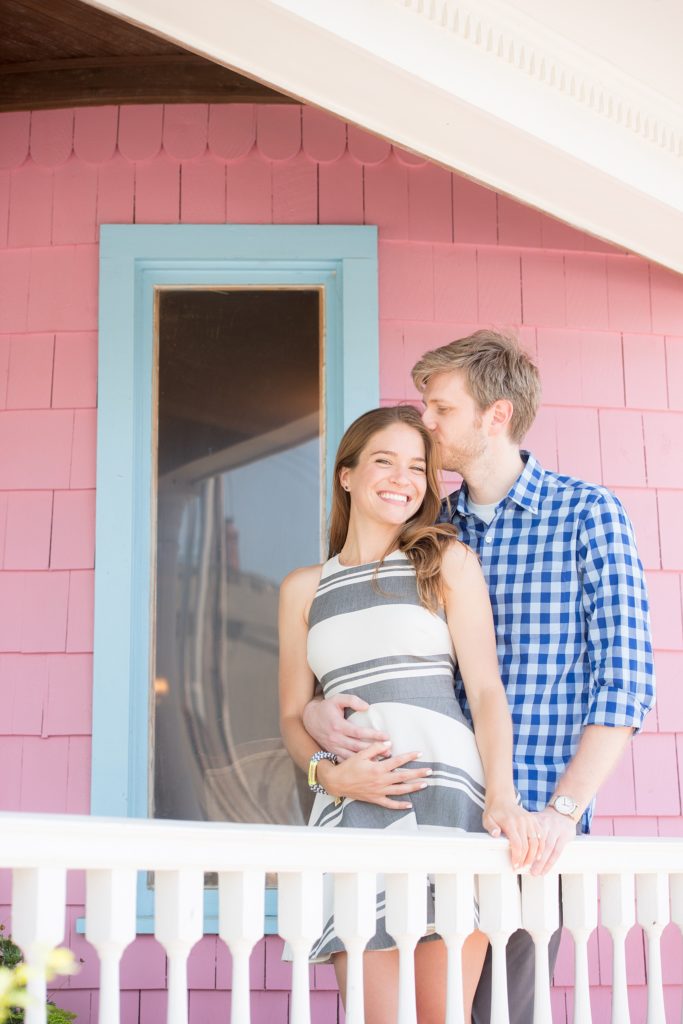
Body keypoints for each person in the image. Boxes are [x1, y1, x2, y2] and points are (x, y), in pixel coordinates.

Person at [303, 330, 655, 1024]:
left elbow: (624, 682)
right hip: (431, 819)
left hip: (526, 835)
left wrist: (560, 812)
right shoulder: (432, 530)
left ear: (494, 415)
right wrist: (316, 721)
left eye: (439, 409)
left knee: (502, 1011)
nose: (424, 423)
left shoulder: (586, 514)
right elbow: (373, 653)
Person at [279, 404, 543, 1024]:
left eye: (419, 468)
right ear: (346, 474)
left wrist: (500, 797)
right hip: (351, 810)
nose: (403, 478)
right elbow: (293, 716)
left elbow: (484, 690)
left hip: (448, 803)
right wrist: (327, 775)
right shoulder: (302, 589)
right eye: (384, 461)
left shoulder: (446, 563)